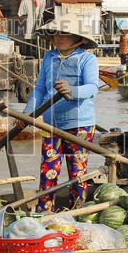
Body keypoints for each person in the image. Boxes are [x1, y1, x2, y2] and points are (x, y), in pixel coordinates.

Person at [23, 16, 100, 211]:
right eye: (56, 33)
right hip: (50, 123)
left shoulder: (86, 59)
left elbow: (92, 87)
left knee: (77, 173)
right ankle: (44, 211)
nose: (59, 37)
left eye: (64, 33)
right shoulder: (50, 57)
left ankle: (79, 212)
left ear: (78, 38)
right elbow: (40, 88)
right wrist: (26, 114)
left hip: (79, 125)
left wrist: (72, 91)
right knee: (48, 171)